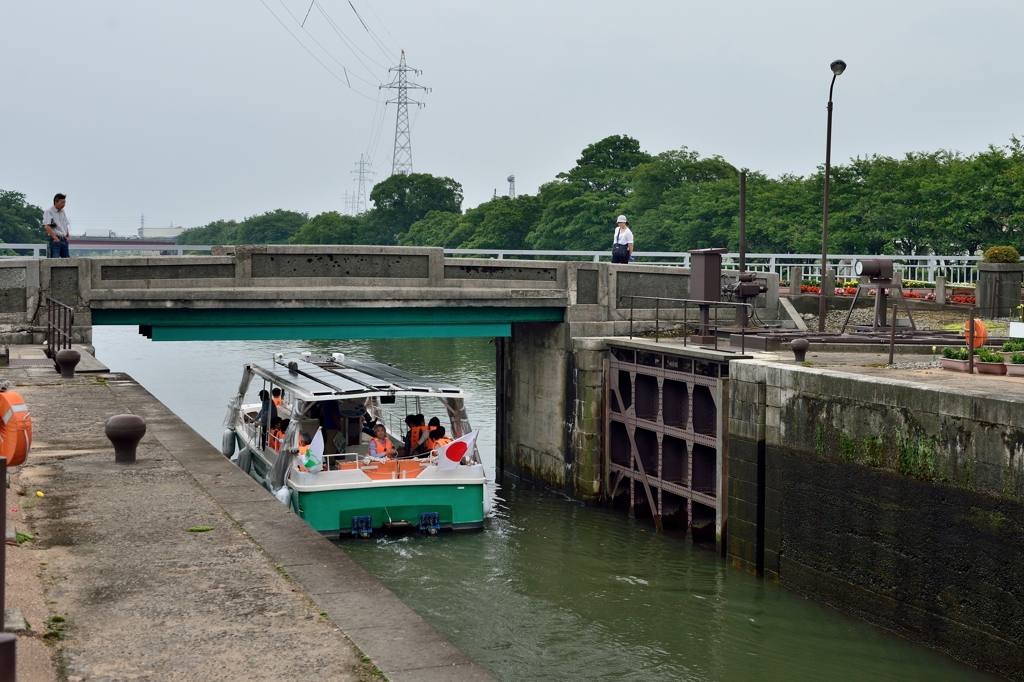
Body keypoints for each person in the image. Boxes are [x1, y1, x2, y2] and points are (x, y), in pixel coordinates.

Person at [43, 193, 71, 259]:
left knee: (67, 260)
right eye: (62, 203)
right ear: (56, 202)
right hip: (56, 239)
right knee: (55, 260)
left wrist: (68, 236)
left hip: (64, 239)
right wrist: (55, 238)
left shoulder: (62, 211)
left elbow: (65, 224)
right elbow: (47, 226)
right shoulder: (49, 211)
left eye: (64, 203)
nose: (64, 205)